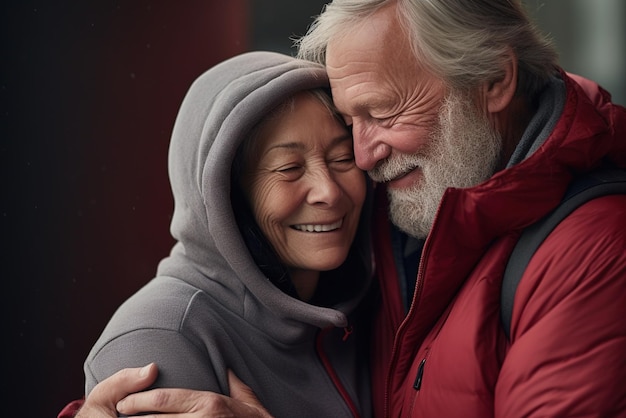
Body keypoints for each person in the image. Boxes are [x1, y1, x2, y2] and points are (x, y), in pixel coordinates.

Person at [62, 0, 626, 416]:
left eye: (382, 112)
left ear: (494, 80)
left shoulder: (592, 251)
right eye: (350, 121)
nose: (360, 160)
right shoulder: (407, 206)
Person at [59, 50, 375, 418]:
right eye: (289, 168)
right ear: (225, 196)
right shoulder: (162, 337)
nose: (329, 191)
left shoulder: (365, 302)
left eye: (342, 159)